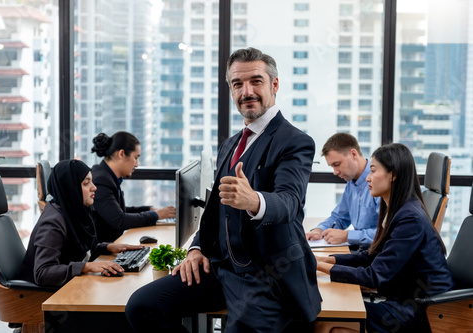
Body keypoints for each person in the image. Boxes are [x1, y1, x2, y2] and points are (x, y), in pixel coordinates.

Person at [125, 47, 321, 332]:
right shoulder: (230, 144)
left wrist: (253, 200)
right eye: (237, 84)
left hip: (263, 275)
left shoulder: (295, 141)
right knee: (142, 307)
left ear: (274, 85)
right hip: (220, 267)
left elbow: (289, 202)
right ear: (230, 89)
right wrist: (195, 248)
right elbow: (214, 211)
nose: (247, 92)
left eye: (256, 81)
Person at [315, 143, 454, 333]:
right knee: (325, 311)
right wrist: (322, 260)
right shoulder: (395, 209)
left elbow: (374, 276)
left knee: (328, 322)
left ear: (393, 174)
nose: (368, 178)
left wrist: (317, 266)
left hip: (422, 308)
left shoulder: (410, 218)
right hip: (403, 298)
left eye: (373, 171)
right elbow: (371, 256)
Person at [18, 160, 143, 287]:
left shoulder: (73, 212)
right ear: (70, 188)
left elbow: (77, 249)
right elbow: (43, 273)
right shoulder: (52, 223)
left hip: (69, 288)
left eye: (91, 182)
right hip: (41, 297)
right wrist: (87, 267)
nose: (94, 187)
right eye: (86, 183)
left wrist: (108, 247)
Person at [90, 131, 176, 242]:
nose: (137, 164)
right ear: (121, 154)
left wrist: (148, 209)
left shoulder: (106, 175)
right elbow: (119, 220)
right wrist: (156, 215)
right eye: (135, 158)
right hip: (100, 253)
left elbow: (117, 210)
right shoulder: (101, 181)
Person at [306, 132, 379, 250]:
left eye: (337, 164)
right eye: (332, 167)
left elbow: (389, 233)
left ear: (353, 154)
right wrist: (319, 230)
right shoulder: (351, 183)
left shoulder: (379, 181)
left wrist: (347, 235)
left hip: (378, 254)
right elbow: (340, 217)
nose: (335, 172)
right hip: (360, 252)